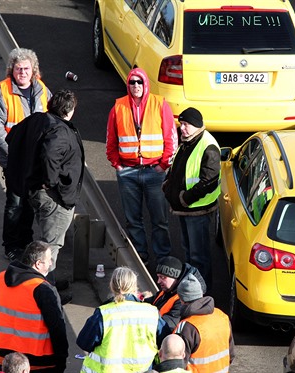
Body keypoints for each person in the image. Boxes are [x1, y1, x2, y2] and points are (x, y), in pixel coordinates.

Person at [5, 89, 84, 292]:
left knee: (45, 241)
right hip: (53, 197)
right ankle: (44, 291)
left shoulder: (37, 119)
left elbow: (11, 136)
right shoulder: (60, 131)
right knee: (50, 248)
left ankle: (50, 283)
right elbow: (50, 154)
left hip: (34, 191)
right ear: (71, 110)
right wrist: (51, 181)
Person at [106, 67, 178, 265]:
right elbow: (111, 140)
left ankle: (162, 258)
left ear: (145, 83)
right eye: (132, 82)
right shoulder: (118, 107)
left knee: (159, 219)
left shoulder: (160, 104)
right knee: (133, 220)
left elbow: (171, 138)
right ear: (128, 85)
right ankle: (141, 258)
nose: (136, 86)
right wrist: (117, 165)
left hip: (155, 171)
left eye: (139, 82)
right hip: (128, 172)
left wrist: (163, 166)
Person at [0, 47, 52, 261]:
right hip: (14, 162)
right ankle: (12, 245)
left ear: (33, 70)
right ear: (11, 70)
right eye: (18, 69)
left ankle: (25, 242)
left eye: (26, 68)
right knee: (15, 204)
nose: (22, 72)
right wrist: (14, 154)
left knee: (29, 204)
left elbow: (51, 121)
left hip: (35, 162)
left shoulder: (42, 90)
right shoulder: (1, 93)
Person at [162, 108, 221, 290]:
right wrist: (168, 184)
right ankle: (191, 290)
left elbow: (208, 182)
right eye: (182, 124)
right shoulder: (190, 140)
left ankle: (202, 294)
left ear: (196, 124)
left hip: (197, 210)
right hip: (186, 208)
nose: (182, 129)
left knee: (198, 257)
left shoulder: (208, 146)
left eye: (186, 124)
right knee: (189, 253)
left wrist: (184, 198)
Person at [0, 241, 68, 372]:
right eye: (49, 259)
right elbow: (57, 329)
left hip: (6, 359)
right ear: (38, 264)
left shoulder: (0, 279)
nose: (51, 263)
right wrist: (61, 361)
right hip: (39, 361)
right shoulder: (43, 289)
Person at [77, 266, 160, 373]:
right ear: (135, 287)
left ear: (112, 286)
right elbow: (164, 341)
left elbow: (84, 342)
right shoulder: (152, 313)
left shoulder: (103, 313)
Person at [174, 274, 235, 373]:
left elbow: (175, 365)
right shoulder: (222, 317)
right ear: (200, 295)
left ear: (182, 299)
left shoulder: (187, 327)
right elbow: (231, 354)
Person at [144, 256, 207, 336]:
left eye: (163, 277)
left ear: (175, 277)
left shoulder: (183, 300)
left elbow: (168, 325)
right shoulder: (168, 290)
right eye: (158, 277)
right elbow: (148, 303)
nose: (158, 281)